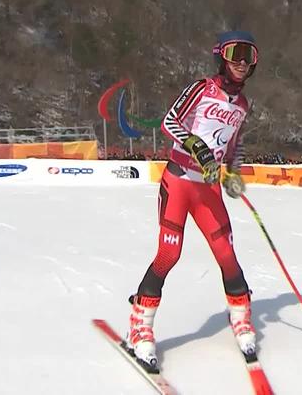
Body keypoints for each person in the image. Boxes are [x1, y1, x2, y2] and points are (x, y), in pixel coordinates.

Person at [127, 30, 259, 369]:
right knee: (169, 253)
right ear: (221, 56)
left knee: (227, 255)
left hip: (208, 188)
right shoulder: (202, 88)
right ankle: (140, 327)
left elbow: (234, 145)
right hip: (179, 181)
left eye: (249, 56)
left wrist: (233, 172)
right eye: (236, 53)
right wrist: (197, 147)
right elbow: (169, 122)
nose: (242, 62)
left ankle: (241, 319)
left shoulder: (243, 105)